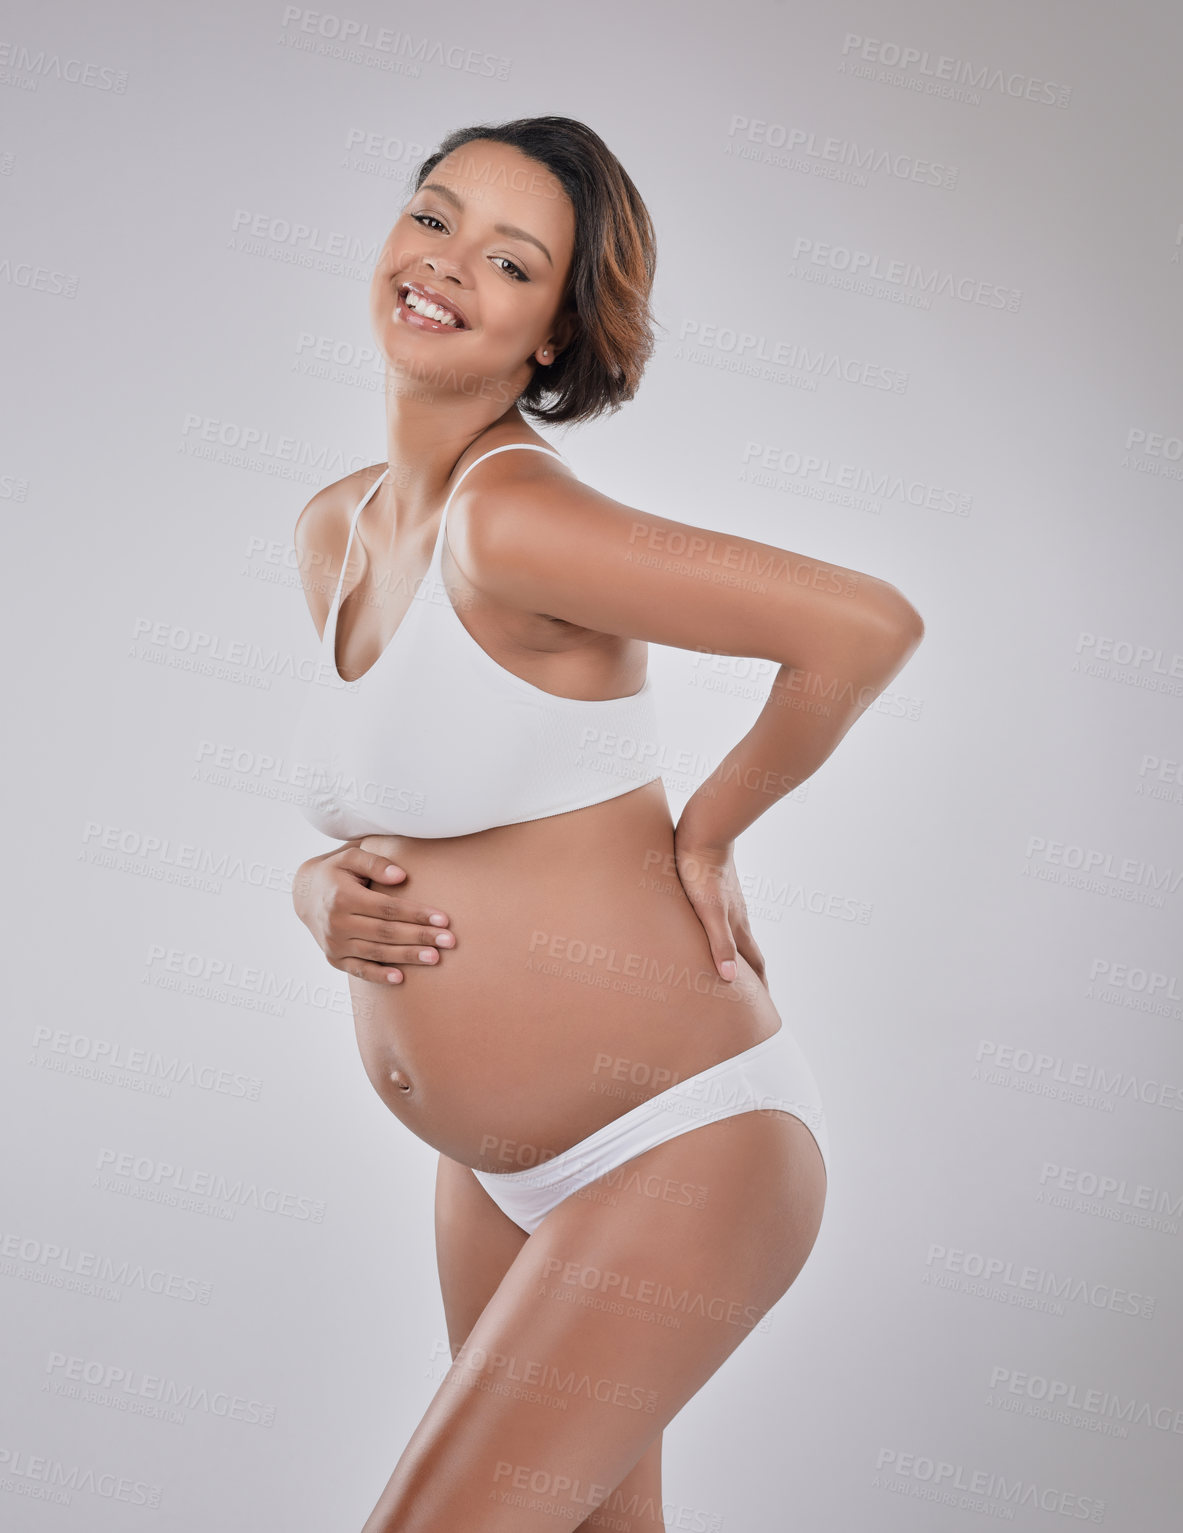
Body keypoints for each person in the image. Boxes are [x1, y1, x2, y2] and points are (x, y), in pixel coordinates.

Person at [288, 116, 924, 1533]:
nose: (446, 265)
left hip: (676, 1139)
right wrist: (314, 887)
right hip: (496, 1170)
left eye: (508, 262)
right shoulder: (338, 530)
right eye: (434, 217)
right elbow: (425, 782)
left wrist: (711, 831)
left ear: (555, 337)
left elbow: (860, 627)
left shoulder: (513, 524)